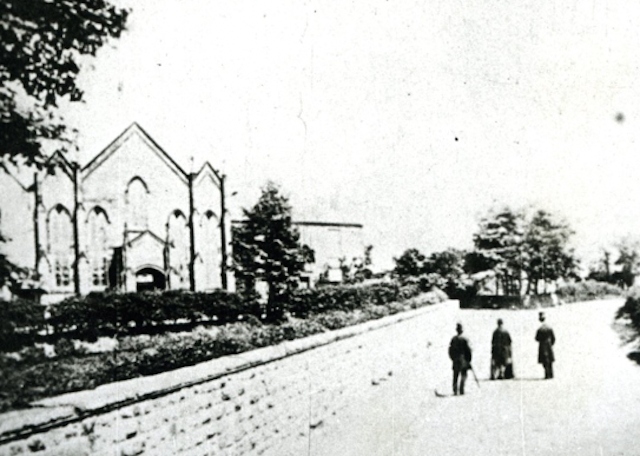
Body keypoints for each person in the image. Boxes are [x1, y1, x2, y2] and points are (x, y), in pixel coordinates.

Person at [449, 322, 472, 395]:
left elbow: (450, 350)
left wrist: (452, 358)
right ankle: (462, 389)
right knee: (464, 374)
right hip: (463, 359)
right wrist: (469, 359)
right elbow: (468, 350)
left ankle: (455, 390)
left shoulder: (453, 339)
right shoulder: (465, 339)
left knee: (455, 375)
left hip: (456, 359)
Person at [535, 311, 556, 379]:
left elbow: (536, 338)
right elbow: (553, 338)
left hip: (542, 345)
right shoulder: (549, 327)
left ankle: (547, 374)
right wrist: (551, 343)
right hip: (549, 344)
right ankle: (551, 374)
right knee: (550, 360)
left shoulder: (539, 329)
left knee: (544, 360)